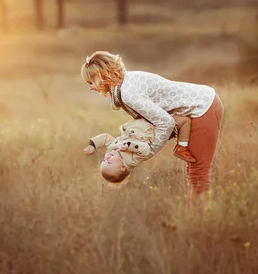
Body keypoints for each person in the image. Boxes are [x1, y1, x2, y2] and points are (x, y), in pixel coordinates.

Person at [81, 51, 224, 195]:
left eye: (91, 82)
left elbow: (166, 123)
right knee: (193, 170)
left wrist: (149, 150)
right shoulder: (125, 82)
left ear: (102, 77)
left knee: (198, 172)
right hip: (189, 111)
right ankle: (195, 212)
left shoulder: (128, 94)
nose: (90, 87)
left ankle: (199, 213)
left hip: (203, 106)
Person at [83, 115, 195, 185]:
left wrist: (93, 145)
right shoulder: (132, 160)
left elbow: (105, 138)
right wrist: (128, 145)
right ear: (123, 167)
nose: (107, 157)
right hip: (153, 129)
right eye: (110, 162)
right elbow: (145, 149)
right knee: (184, 120)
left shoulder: (112, 149)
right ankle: (182, 146)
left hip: (137, 121)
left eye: (104, 160)